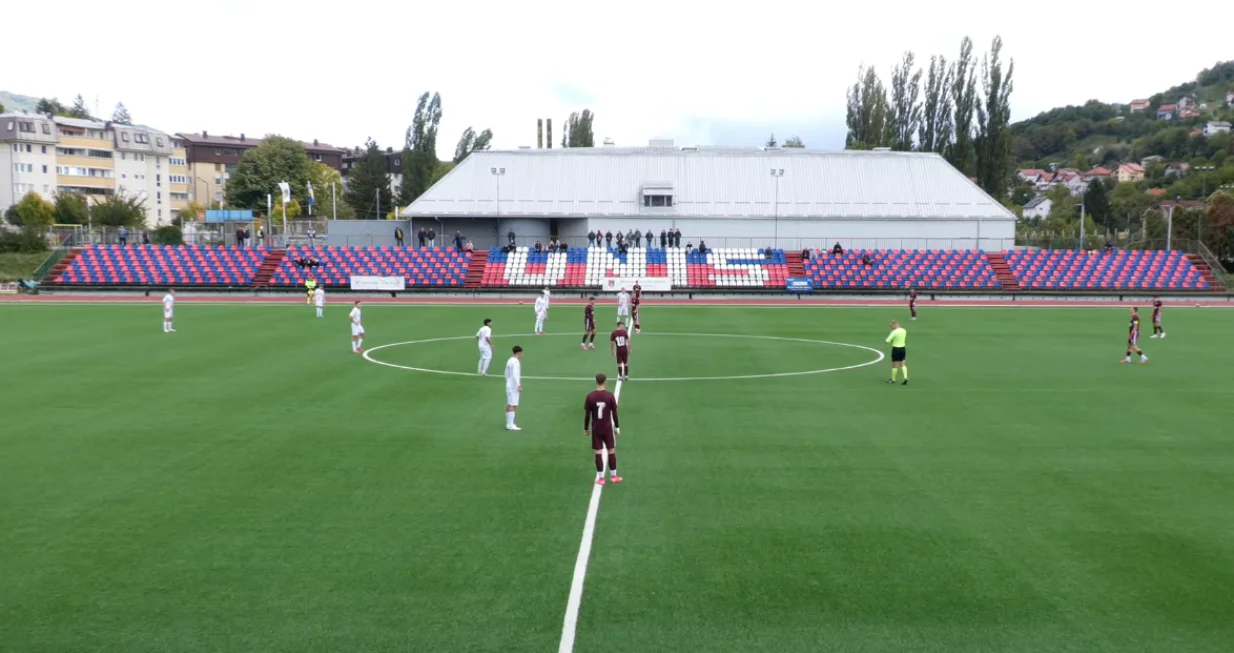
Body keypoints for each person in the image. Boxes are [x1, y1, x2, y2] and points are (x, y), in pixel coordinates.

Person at [584, 373, 622, 485]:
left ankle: (601, 478)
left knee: (598, 453)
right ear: (605, 382)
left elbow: (587, 414)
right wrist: (617, 426)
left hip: (596, 428)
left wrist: (586, 428)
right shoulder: (610, 396)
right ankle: (614, 476)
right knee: (611, 451)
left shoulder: (590, 396)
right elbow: (614, 413)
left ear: (596, 382)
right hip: (607, 428)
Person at [504, 345, 523, 431]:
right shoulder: (515, 362)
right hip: (513, 385)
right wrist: (518, 385)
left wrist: (508, 380)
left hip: (509, 384)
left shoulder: (509, 360)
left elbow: (506, 373)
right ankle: (511, 425)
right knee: (513, 404)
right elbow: (515, 374)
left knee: (509, 403)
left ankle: (509, 423)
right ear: (519, 352)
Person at [886, 320, 908, 385]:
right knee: (903, 364)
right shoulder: (904, 330)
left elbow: (887, 341)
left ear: (894, 325)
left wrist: (892, 339)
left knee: (894, 365)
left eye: (891, 326)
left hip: (896, 349)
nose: (891, 327)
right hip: (903, 348)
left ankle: (893, 379)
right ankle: (905, 377)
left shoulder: (894, 332)